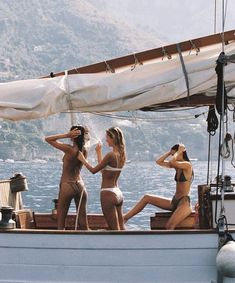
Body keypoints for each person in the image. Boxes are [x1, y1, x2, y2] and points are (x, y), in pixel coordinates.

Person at [124, 144, 193, 230]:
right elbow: (158, 161)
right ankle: (125, 218)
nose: (172, 156)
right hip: (174, 201)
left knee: (169, 226)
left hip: (184, 203)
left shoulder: (187, 165)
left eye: (173, 154)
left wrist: (179, 151)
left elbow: (172, 161)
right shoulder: (176, 166)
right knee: (146, 197)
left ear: (181, 153)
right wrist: (169, 152)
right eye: (172, 155)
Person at [78, 127, 126, 230]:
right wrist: (98, 152)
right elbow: (104, 171)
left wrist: (83, 160)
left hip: (108, 193)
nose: (106, 140)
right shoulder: (121, 155)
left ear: (113, 138)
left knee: (114, 230)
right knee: (121, 228)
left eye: (107, 137)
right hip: (118, 193)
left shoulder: (110, 155)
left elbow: (93, 170)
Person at [45, 126, 89, 230]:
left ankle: (61, 244)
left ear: (72, 136)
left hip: (67, 184)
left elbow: (48, 139)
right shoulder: (85, 150)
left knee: (61, 222)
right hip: (80, 185)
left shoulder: (69, 149)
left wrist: (66, 135)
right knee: (83, 222)